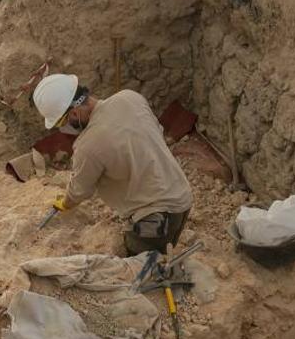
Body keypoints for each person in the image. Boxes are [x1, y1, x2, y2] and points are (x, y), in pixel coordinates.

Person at [33, 74, 192, 255]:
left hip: (155, 220)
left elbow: (80, 190)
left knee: (136, 270)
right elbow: (157, 132)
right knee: (161, 252)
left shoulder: (87, 145)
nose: (63, 128)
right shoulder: (129, 97)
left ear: (75, 113)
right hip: (182, 197)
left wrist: (66, 203)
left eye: (62, 122)